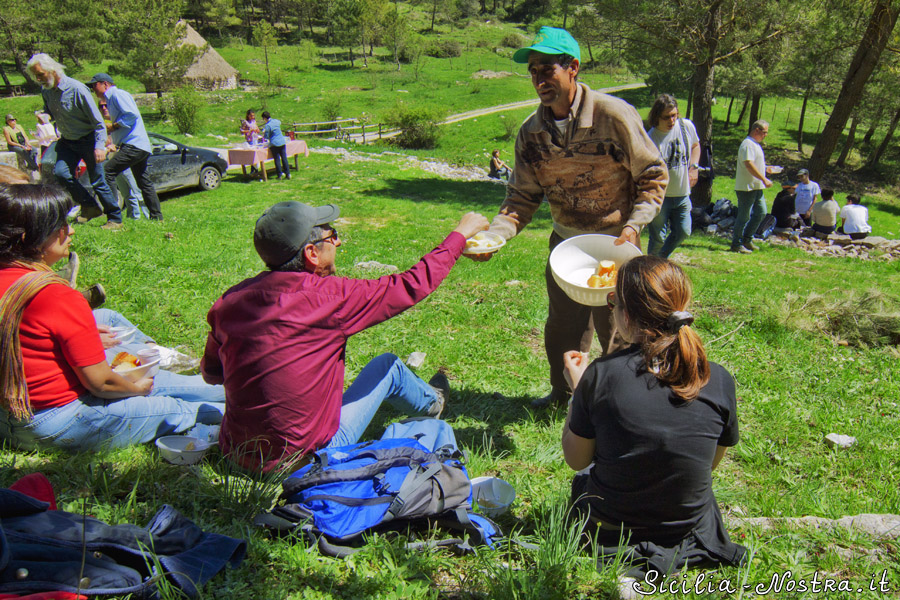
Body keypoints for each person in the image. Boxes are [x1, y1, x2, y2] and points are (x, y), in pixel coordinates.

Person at [201, 201, 489, 472]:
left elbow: (212, 375)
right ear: (312, 254)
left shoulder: (229, 302)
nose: (338, 242)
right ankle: (433, 403)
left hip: (237, 455)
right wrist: (459, 236)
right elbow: (410, 285)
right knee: (387, 366)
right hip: (306, 461)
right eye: (332, 236)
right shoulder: (330, 298)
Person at [472, 27, 667, 409]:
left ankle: (617, 403)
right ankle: (565, 395)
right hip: (566, 245)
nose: (539, 79)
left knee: (620, 330)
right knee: (562, 326)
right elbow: (522, 196)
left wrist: (633, 225)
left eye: (547, 68)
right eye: (533, 70)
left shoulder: (613, 116)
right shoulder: (531, 134)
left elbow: (653, 175)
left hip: (617, 244)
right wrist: (497, 235)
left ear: (573, 67)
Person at [0, 183, 226, 451]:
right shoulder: (55, 295)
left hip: (7, 418)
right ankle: (265, 403)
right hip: (55, 421)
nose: (70, 230)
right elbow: (102, 384)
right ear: (29, 237)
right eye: (59, 225)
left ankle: (232, 387)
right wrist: (138, 389)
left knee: (154, 377)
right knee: (176, 408)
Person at [560, 255, 745, 576]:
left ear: (626, 315)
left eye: (612, 301)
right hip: (688, 531)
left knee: (582, 478)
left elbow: (577, 459)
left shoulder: (601, 375)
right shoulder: (719, 377)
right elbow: (710, 464)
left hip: (611, 530)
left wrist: (579, 390)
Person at [25, 54, 121, 229]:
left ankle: (115, 218)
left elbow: (99, 123)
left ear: (52, 70)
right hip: (68, 140)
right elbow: (50, 113)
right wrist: (44, 117)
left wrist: (100, 147)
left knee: (98, 181)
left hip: (88, 140)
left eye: (40, 74)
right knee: (61, 173)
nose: (38, 79)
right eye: (35, 76)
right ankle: (90, 206)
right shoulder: (46, 90)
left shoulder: (77, 89)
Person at [87, 73, 162, 223]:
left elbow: (131, 115)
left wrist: (114, 126)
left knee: (107, 171)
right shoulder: (112, 97)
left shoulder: (117, 94)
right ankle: (157, 218)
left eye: (94, 85)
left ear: (105, 84)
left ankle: (113, 214)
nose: (92, 89)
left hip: (133, 145)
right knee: (143, 182)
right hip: (140, 145)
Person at [646, 95, 700, 259]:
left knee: (684, 231)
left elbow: (696, 145)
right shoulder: (650, 138)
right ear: (656, 117)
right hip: (661, 197)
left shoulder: (685, 127)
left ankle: (660, 259)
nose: (671, 120)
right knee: (658, 238)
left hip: (683, 194)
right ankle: (652, 266)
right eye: (666, 117)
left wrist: (694, 168)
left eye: (674, 115)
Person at [97, 99, 148, 220]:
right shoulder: (101, 124)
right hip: (112, 161)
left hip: (125, 160)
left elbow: (128, 140)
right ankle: (133, 217)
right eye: (101, 106)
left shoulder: (119, 122)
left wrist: (115, 146)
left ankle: (148, 216)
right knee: (126, 193)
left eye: (106, 105)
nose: (104, 108)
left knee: (136, 191)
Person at [732, 120, 776, 254]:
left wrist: (765, 169)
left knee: (761, 213)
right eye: (764, 132)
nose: (766, 135)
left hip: (756, 187)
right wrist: (764, 178)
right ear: (756, 130)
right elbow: (749, 164)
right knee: (744, 217)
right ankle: (736, 244)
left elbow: (755, 163)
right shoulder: (747, 144)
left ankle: (747, 239)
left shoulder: (755, 145)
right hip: (746, 187)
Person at [260, 111, 290, 180]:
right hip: (282, 141)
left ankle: (279, 174)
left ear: (264, 118)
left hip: (275, 143)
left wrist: (264, 133)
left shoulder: (268, 125)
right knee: (284, 158)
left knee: (277, 159)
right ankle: (287, 173)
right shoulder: (276, 121)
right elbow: (279, 123)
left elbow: (266, 136)